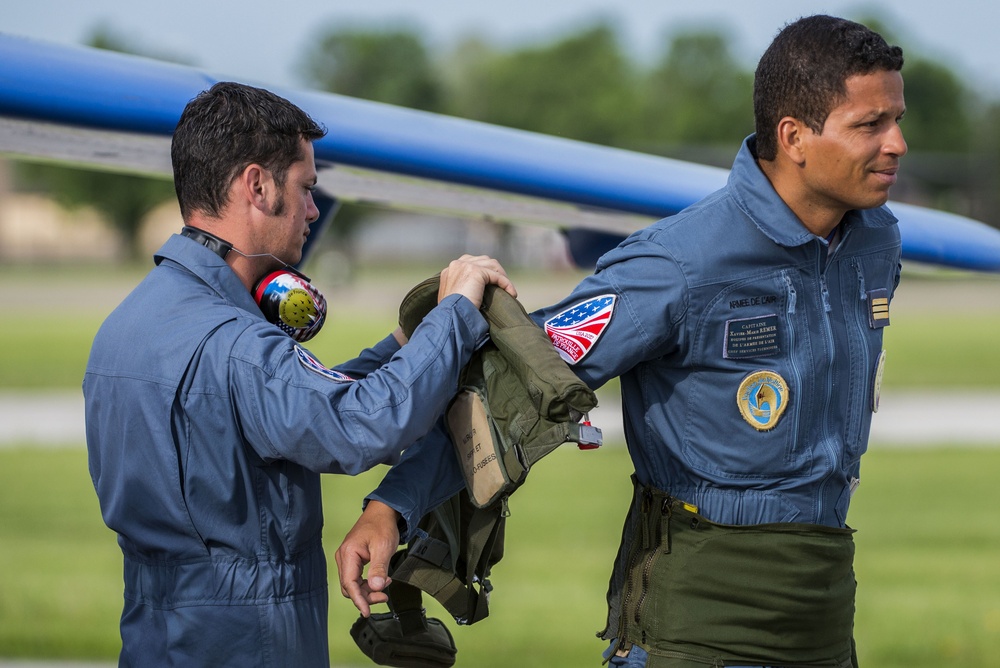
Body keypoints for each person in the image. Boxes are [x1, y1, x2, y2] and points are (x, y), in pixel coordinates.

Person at [336, 14, 906, 667]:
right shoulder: (679, 263)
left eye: (896, 119)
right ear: (794, 137)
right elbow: (514, 388)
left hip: (825, 627)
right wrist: (392, 508)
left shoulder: (876, 238)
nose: (897, 144)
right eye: (870, 125)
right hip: (693, 634)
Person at [82, 81, 516, 667]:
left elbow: (278, 406)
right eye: (307, 188)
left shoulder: (128, 325)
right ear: (257, 186)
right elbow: (362, 425)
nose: (314, 210)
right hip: (250, 642)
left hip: (156, 635)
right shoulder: (235, 343)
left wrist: (406, 342)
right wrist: (460, 312)